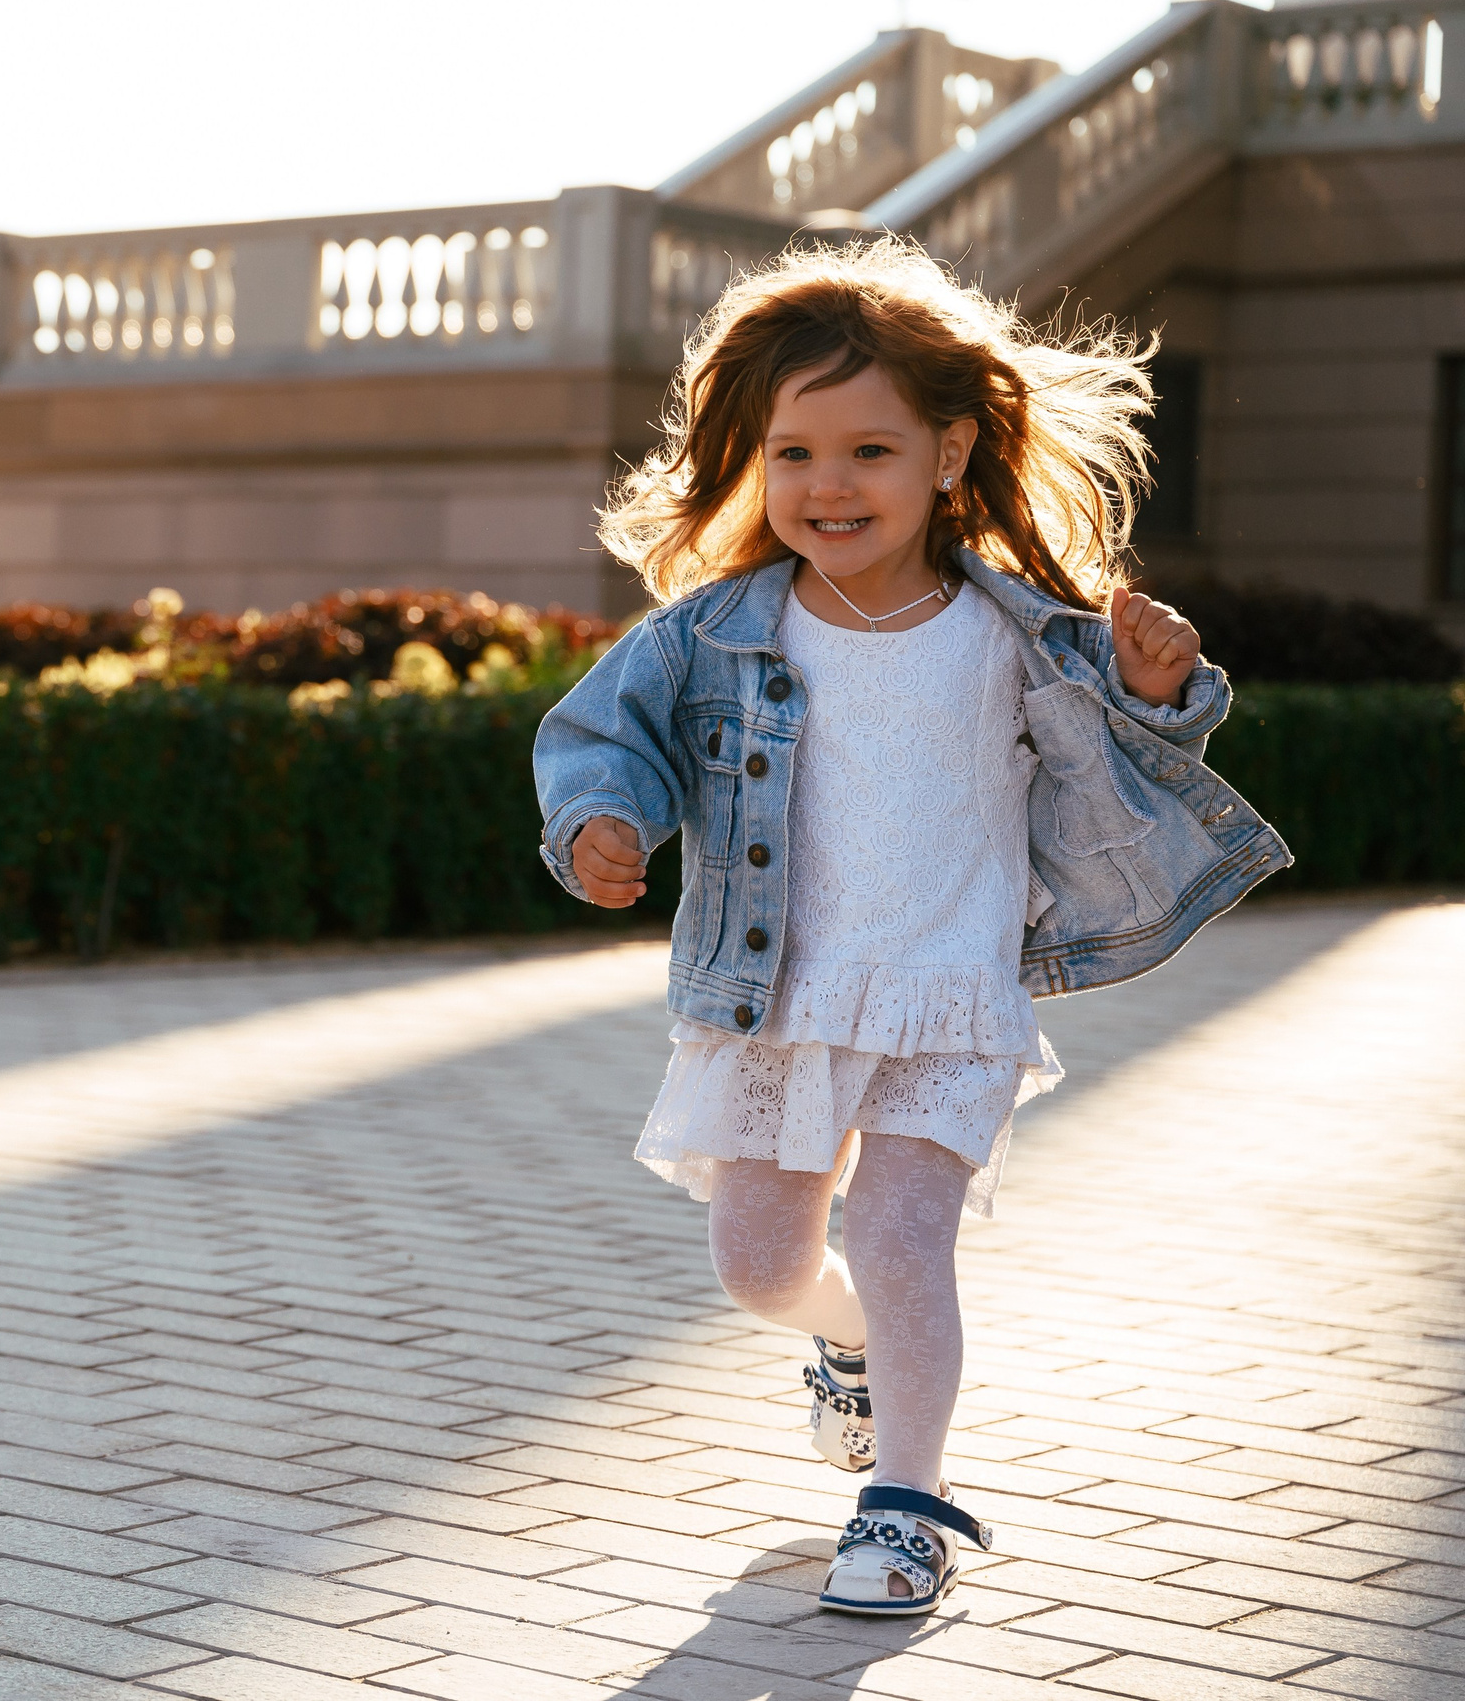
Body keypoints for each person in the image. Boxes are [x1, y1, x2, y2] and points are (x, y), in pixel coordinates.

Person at [532, 241, 1288, 1618]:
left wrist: (1161, 681)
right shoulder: (714, 634)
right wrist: (604, 822)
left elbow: (1133, 733)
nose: (829, 486)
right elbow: (603, 736)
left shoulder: (1014, 630)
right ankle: (852, 1350)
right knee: (762, 1269)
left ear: (949, 454)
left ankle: (905, 1507)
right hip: (780, 996)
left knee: (900, 1234)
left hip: (950, 992)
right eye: (796, 452)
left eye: (870, 450)